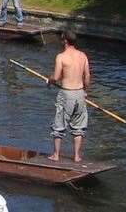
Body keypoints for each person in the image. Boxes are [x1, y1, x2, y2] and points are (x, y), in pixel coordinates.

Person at [48, 30, 90, 163]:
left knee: (59, 124)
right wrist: (85, 91)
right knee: (78, 127)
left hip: (67, 93)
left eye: (61, 40)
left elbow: (56, 77)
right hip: (80, 93)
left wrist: (49, 80)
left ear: (65, 41)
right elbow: (87, 76)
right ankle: (77, 156)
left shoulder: (61, 57)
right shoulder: (83, 56)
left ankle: (56, 155)